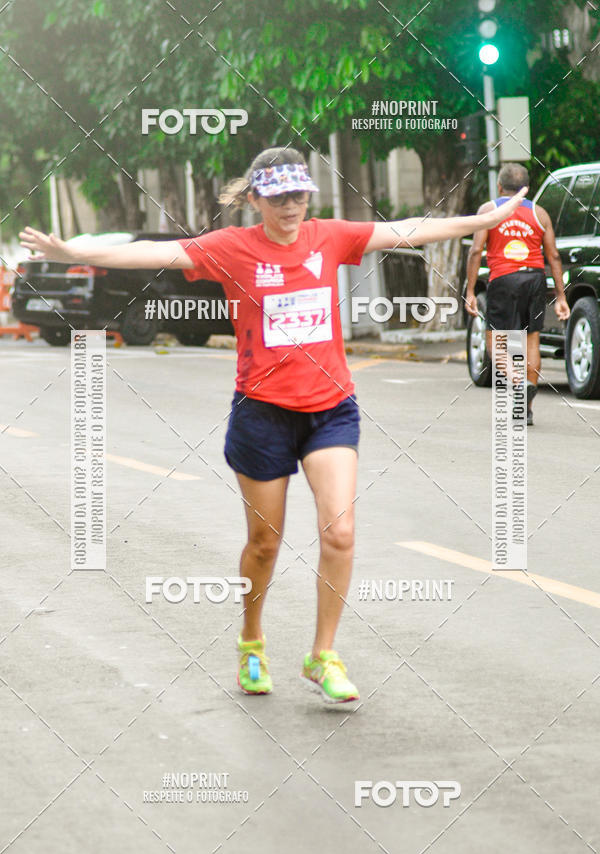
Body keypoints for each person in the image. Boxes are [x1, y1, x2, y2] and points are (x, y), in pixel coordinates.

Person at [20, 147, 528, 704]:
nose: (291, 206)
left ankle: (323, 655)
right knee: (265, 544)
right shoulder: (232, 248)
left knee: (340, 531)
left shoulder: (328, 237)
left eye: (299, 195)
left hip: (330, 410)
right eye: (280, 197)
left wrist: (482, 221)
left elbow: (406, 229)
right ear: (256, 199)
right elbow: (152, 253)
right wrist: (70, 249)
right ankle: (252, 639)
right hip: (262, 414)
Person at [465, 162, 570, 425]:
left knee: (495, 344)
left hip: (503, 279)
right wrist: (561, 296)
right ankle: (527, 409)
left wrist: (469, 290)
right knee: (531, 341)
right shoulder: (540, 213)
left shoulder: (489, 210)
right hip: (535, 279)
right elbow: (554, 255)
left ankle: (518, 381)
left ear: (499, 186)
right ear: (526, 189)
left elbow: (476, 251)